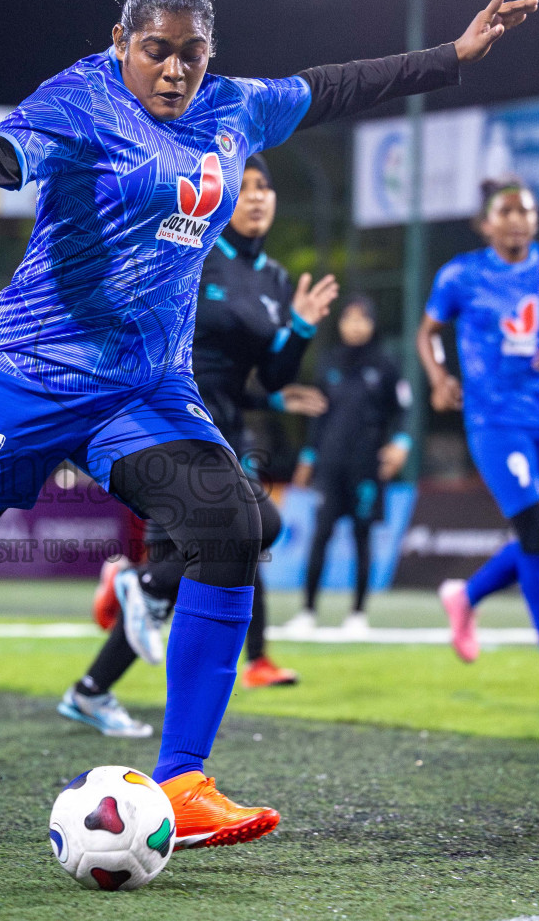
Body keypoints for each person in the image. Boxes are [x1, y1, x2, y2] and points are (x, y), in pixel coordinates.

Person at [0, 0, 535, 848]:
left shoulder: (235, 107)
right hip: (20, 377)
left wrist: (452, 55)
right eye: (157, 51)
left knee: (230, 522)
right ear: (121, 42)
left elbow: (334, 86)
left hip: (140, 391)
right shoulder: (80, 99)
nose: (177, 70)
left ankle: (184, 778)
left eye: (193, 53)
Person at [58, 154, 337, 738]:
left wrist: (303, 327)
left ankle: (95, 684)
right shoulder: (195, 248)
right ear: (227, 196)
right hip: (167, 422)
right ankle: (141, 599)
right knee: (236, 540)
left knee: (196, 563)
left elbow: (274, 376)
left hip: (224, 435)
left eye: (268, 189)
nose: (258, 198)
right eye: (248, 188)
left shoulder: (279, 281)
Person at [419, 176, 539, 698]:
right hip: (494, 420)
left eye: (526, 209)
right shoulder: (461, 275)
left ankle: (466, 595)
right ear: (486, 223)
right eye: (506, 211)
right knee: (537, 535)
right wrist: (438, 378)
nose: (518, 218)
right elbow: (427, 332)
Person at [284, 295, 411, 634]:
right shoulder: (329, 363)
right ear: (340, 324)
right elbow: (318, 417)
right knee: (320, 534)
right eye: (349, 320)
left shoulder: (386, 364)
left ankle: (357, 614)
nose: (355, 327)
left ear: (372, 324)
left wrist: (401, 444)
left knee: (362, 535)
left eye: (362, 320)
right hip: (329, 465)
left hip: (367, 466)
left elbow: (402, 413)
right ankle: (307, 611)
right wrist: (308, 457)